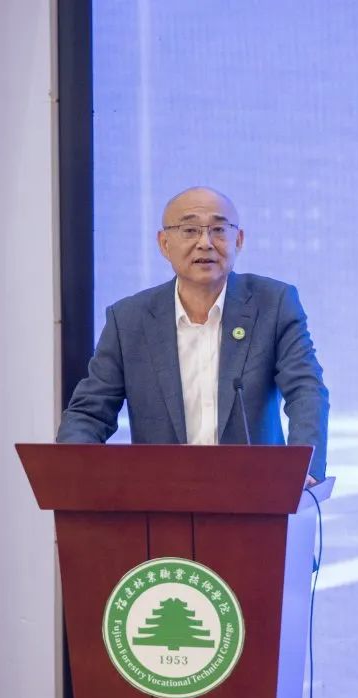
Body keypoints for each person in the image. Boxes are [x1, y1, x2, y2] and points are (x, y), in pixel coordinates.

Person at [57, 186, 329, 484]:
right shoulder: (129, 319)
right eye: (189, 230)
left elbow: (305, 390)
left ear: (238, 240)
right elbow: (91, 412)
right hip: (163, 496)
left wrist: (303, 468)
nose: (205, 243)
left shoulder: (273, 304)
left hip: (255, 493)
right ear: (164, 244)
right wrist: (71, 468)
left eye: (218, 230)